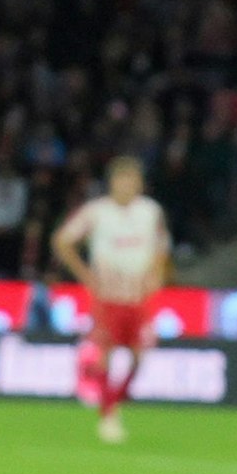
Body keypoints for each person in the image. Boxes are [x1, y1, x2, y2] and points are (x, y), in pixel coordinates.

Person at [53, 155, 170, 444]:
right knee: (105, 354)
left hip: (139, 297)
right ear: (112, 183)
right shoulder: (96, 212)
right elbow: (62, 240)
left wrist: (156, 275)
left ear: (140, 184)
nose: (126, 185)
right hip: (108, 297)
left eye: (132, 180)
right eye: (121, 179)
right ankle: (108, 415)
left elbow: (161, 246)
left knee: (139, 356)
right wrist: (84, 274)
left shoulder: (150, 211)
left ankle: (116, 398)